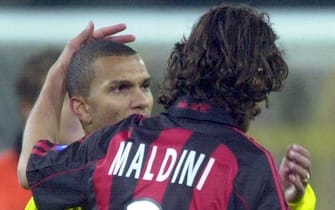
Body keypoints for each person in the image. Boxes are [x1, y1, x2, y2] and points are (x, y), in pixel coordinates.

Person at [18, 4, 315, 209]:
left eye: (144, 86)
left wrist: (60, 70)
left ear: (185, 60)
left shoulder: (114, 142)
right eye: (121, 87)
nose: (139, 99)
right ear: (259, 77)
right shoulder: (248, 164)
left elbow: (30, 168)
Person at [0, 48, 84, 210]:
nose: (78, 108)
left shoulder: (111, 177)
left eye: (83, 95)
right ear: (28, 107)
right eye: (64, 98)